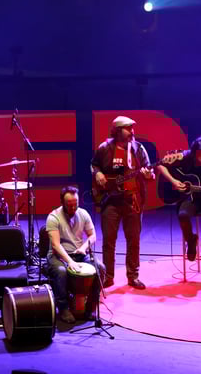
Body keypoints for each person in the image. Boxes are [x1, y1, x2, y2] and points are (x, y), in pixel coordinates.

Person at [90, 116, 154, 290]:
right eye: (128, 128)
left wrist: (149, 174)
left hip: (132, 200)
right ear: (117, 131)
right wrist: (97, 173)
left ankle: (133, 276)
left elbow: (149, 171)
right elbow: (94, 165)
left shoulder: (138, 148)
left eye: (132, 128)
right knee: (108, 240)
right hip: (110, 200)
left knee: (134, 240)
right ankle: (108, 276)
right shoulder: (104, 148)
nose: (132, 132)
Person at [46, 186, 106, 324]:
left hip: (79, 253)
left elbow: (92, 235)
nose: (73, 208)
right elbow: (55, 245)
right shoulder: (53, 217)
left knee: (100, 268)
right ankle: (63, 308)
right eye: (69, 205)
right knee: (61, 271)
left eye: (76, 204)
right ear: (62, 203)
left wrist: (83, 248)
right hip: (58, 255)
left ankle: (90, 307)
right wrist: (70, 261)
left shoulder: (83, 213)